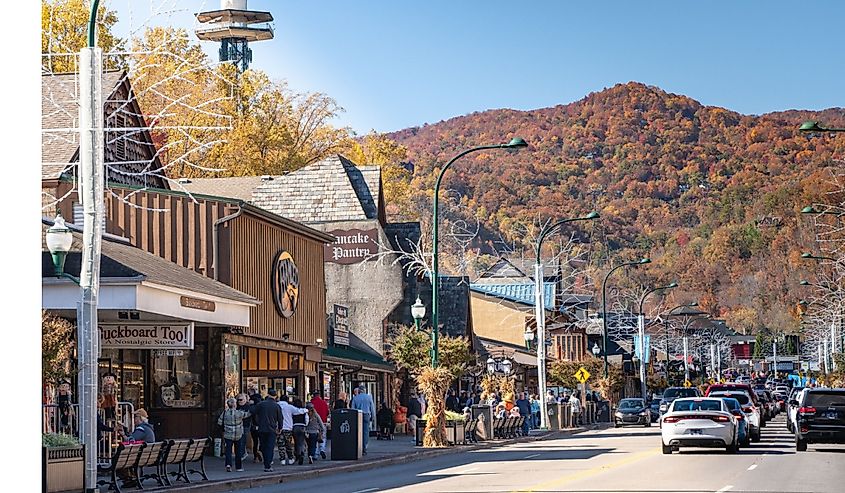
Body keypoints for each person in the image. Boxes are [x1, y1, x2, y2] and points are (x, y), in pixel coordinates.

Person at [253, 389, 283, 472]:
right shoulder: (276, 406)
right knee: (270, 447)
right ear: (275, 396)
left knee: (263, 446)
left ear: (268, 394)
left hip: (262, 428)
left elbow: (254, 413)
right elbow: (280, 418)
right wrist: (280, 428)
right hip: (272, 429)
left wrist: (256, 423)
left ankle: (263, 456)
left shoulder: (261, 404)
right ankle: (268, 464)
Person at [217, 397, 250, 472]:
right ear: (235, 405)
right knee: (238, 451)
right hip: (238, 434)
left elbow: (219, 422)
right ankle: (239, 467)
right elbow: (247, 414)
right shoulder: (239, 413)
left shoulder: (225, 413)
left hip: (228, 435)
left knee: (228, 451)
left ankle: (228, 465)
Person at [278, 395, 308, 465]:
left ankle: (282, 459)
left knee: (280, 444)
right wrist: (306, 410)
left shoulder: (276, 406)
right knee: (288, 444)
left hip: (278, 428)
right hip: (288, 427)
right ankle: (290, 458)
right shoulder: (289, 407)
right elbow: (298, 411)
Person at [350, 385, 376, 454]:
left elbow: (352, 409)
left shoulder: (355, 398)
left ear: (359, 391)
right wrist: (373, 417)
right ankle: (364, 447)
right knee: (366, 432)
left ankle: (359, 447)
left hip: (358, 415)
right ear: (365, 390)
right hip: (366, 415)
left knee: (358, 432)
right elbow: (372, 408)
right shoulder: (369, 397)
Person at [310, 391, 329, 459]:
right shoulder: (324, 402)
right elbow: (327, 412)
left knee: (315, 438)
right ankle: (322, 449)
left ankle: (316, 453)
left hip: (314, 423)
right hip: (323, 422)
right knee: (322, 437)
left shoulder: (311, 403)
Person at [291, 397, 308, 465]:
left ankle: (297, 454)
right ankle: (302, 453)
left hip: (295, 426)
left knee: (296, 442)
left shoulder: (293, 411)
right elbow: (307, 420)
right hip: (302, 426)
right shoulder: (304, 411)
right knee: (301, 441)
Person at [247, 392, 263, 462]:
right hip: (262, 426)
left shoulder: (252, 407)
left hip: (253, 426)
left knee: (255, 442)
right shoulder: (262, 406)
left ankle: (255, 456)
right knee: (262, 441)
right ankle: (260, 450)